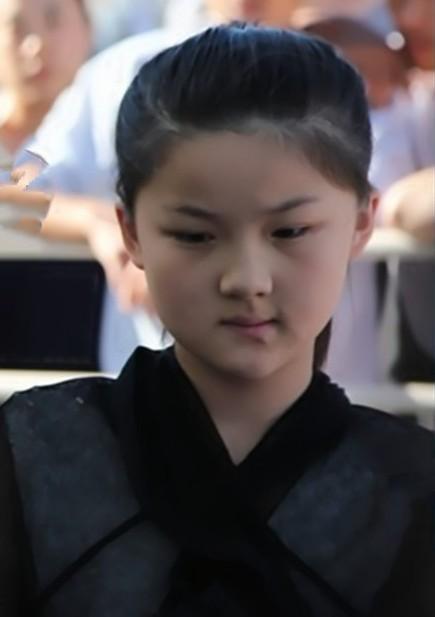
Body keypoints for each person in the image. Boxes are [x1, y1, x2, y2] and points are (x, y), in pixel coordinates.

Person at [1, 24, 434, 617]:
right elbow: (16, 185)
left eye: (290, 231)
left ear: (362, 224)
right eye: (194, 234)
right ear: (135, 231)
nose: (247, 279)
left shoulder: (410, 490)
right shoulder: (114, 75)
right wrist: (85, 221)